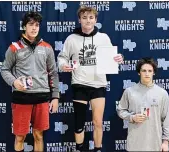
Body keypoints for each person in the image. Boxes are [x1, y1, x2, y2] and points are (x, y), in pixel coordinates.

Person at [58, 6, 123, 152]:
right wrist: (64, 66)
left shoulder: (103, 38)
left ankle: (98, 149)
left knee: (98, 122)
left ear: (96, 20)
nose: (88, 20)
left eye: (91, 17)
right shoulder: (71, 39)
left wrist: (119, 58)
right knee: (79, 122)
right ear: (79, 20)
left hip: (98, 84)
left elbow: (113, 57)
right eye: (85, 17)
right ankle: (79, 149)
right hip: (79, 84)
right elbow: (62, 58)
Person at [1, 11, 59, 152]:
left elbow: (53, 73)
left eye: (37, 25)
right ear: (24, 26)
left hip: (42, 97)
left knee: (38, 135)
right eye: (31, 24)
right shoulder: (14, 47)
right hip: (21, 97)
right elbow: (4, 70)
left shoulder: (47, 47)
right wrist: (14, 82)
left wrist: (55, 96)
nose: (34, 28)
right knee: (20, 136)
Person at [117, 57, 169, 152]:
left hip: (155, 144)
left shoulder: (162, 93)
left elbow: (167, 119)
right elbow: (120, 110)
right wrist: (132, 117)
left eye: (150, 71)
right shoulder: (129, 92)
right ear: (139, 72)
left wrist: (166, 141)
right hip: (135, 144)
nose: (147, 74)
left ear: (154, 72)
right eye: (144, 71)